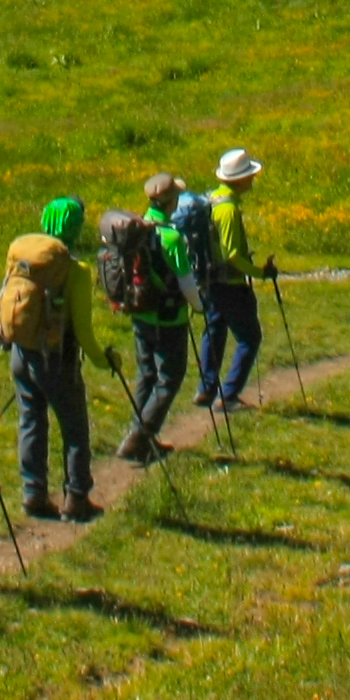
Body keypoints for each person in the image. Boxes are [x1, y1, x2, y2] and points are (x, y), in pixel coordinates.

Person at [0, 198, 125, 520]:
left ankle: (33, 494)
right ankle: (76, 499)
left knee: (31, 421)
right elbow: (82, 330)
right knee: (75, 429)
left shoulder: (20, 252)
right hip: (56, 361)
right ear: (75, 227)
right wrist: (104, 361)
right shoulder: (75, 270)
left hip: (20, 352)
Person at [106, 175, 192, 465]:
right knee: (170, 376)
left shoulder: (136, 229)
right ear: (172, 201)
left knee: (146, 374)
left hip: (140, 311)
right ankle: (140, 436)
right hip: (170, 317)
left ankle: (139, 436)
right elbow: (186, 282)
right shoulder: (172, 236)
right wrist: (200, 306)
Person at [196, 149, 270, 414]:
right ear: (239, 180)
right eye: (249, 175)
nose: (252, 180)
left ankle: (205, 389)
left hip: (209, 280)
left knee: (214, 330)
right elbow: (232, 255)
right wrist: (259, 273)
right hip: (230, 283)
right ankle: (228, 396)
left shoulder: (212, 199)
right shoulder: (228, 209)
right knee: (250, 338)